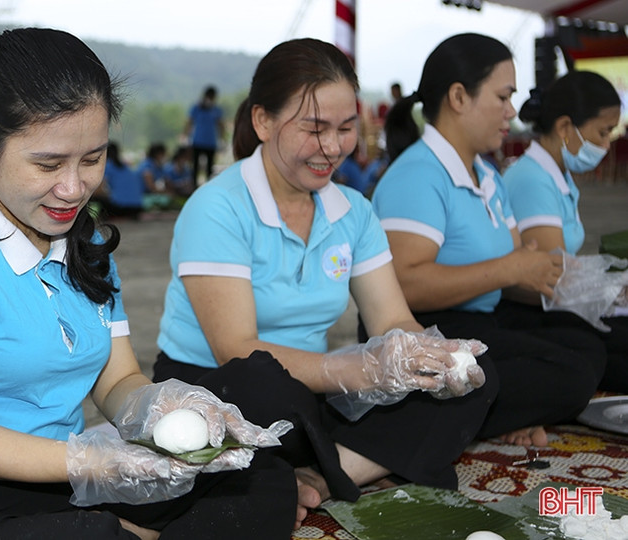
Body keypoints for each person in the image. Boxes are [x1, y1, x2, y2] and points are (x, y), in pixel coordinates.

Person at [0, 28, 298, 539]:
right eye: (48, 164)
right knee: (90, 535)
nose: (73, 188)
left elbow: (117, 382)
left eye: (92, 159)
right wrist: (93, 463)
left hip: (65, 478)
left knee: (260, 475)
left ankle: (116, 527)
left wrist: (164, 409)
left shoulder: (86, 239)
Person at [153, 38, 494, 527]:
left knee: (476, 377)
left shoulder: (353, 210)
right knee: (266, 385)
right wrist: (359, 370)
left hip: (310, 390)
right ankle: (347, 462)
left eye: (346, 128)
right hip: (220, 385)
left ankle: (312, 475)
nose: (333, 147)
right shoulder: (218, 207)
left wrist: (428, 358)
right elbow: (235, 348)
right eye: (314, 129)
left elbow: (392, 317)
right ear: (263, 121)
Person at [373, 33, 607, 449]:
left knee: (586, 344)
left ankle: (498, 412)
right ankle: (453, 418)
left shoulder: (487, 175)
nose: (511, 111)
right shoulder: (418, 175)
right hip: (430, 331)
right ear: (459, 97)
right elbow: (404, 286)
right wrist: (512, 268)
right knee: (571, 373)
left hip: (485, 317)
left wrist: (572, 281)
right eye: (503, 97)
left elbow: (521, 260)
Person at [502, 71, 628, 391]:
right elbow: (551, 278)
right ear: (564, 128)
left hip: (554, 305)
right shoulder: (532, 179)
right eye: (602, 133)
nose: (605, 145)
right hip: (530, 312)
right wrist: (612, 291)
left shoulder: (558, 174)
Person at [184, 85, 224, 187]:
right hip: (197, 140)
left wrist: (222, 139)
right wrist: (186, 136)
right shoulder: (197, 108)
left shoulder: (216, 109)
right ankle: (193, 186)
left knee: (209, 167)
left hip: (211, 141)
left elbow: (220, 125)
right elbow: (189, 122)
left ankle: (208, 186)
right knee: (195, 166)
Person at [98, 141, 144, 220]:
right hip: (137, 207)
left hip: (120, 208)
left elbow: (99, 190)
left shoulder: (107, 166)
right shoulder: (126, 166)